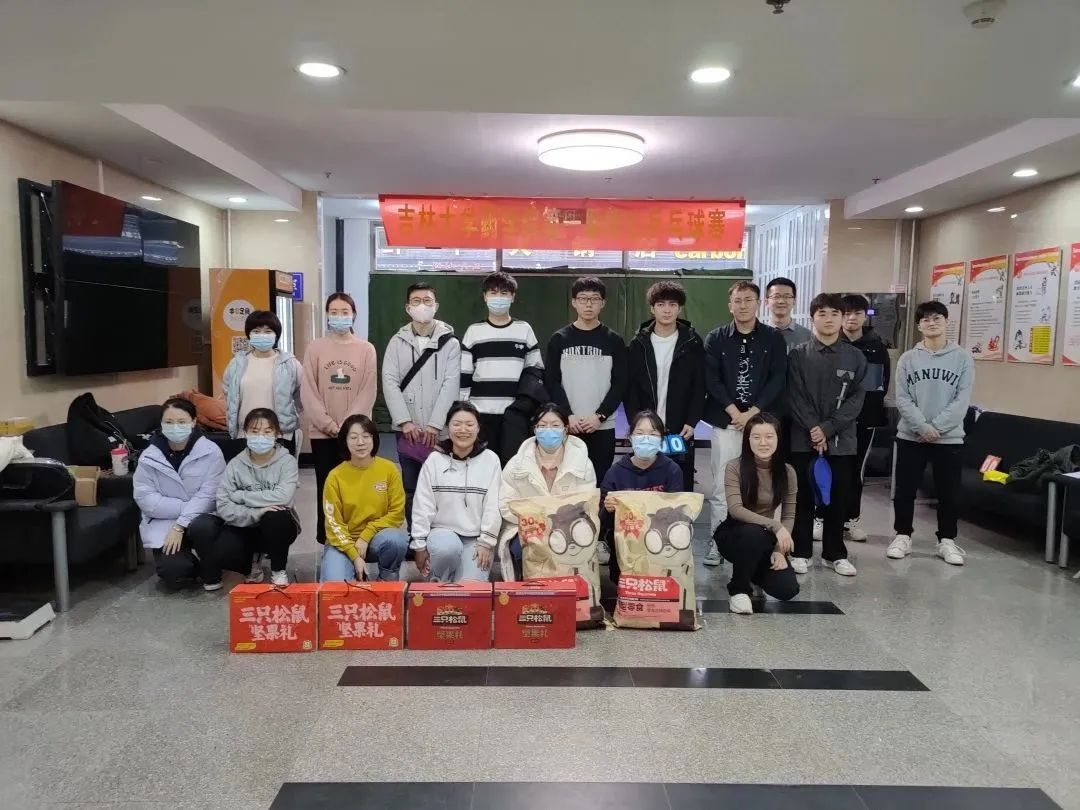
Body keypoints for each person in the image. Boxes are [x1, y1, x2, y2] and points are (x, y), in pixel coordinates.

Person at [702, 281, 788, 566]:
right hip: (725, 422)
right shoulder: (716, 338)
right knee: (720, 485)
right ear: (730, 306)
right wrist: (733, 411)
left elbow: (778, 378)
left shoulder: (773, 338)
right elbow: (711, 378)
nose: (742, 305)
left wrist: (752, 412)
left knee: (764, 485)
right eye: (737, 301)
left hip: (761, 423)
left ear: (758, 304)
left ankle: (764, 543)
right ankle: (717, 542)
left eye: (748, 300)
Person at [888, 300, 975, 566]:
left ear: (946, 322)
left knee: (949, 493)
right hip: (911, 436)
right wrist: (923, 427)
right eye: (925, 319)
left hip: (948, 438)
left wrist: (937, 427)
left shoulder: (962, 358)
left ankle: (946, 540)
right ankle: (903, 535)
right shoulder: (908, 359)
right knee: (905, 490)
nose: (931, 323)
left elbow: (962, 399)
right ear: (919, 325)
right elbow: (902, 398)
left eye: (937, 318)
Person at [786, 293, 867, 577]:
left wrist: (828, 428)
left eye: (835, 313)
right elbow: (794, 396)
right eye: (822, 313)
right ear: (812, 318)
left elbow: (857, 400)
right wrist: (814, 428)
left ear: (842, 318)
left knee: (838, 496)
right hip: (802, 438)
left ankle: (835, 554)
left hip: (841, 441)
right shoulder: (797, 355)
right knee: (802, 496)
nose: (829, 319)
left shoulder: (855, 357)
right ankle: (800, 551)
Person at [186, 408, 301, 587]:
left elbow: (283, 497)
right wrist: (257, 512)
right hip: (243, 525)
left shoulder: (287, 462)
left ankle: (278, 570)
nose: (261, 437)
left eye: (267, 431)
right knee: (220, 548)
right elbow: (223, 504)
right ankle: (250, 564)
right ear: (245, 433)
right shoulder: (235, 464)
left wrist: (241, 496)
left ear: (277, 434)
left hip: (278, 526)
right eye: (254, 431)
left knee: (275, 516)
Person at [301, 292, 378, 544]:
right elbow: (308, 390)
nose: (339, 316)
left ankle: (357, 539)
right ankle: (328, 540)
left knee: (356, 487)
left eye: (345, 312)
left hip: (355, 436)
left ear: (354, 314)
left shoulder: (366, 349)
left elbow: (368, 390)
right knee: (327, 486)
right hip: (322, 433)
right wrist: (328, 424)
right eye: (334, 312)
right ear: (327, 315)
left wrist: (348, 428)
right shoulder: (315, 348)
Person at [382, 282, 461, 527]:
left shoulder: (450, 343)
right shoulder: (397, 342)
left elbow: (451, 385)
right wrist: (404, 421)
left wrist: (436, 424)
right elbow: (389, 382)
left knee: (442, 485)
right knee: (411, 486)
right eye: (416, 301)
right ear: (408, 308)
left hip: (440, 431)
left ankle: (441, 532)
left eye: (427, 301)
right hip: (408, 431)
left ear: (436, 306)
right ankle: (415, 536)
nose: (422, 306)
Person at [133, 397, 226, 590]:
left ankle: (211, 567)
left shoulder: (211, 452)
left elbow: (210, 495)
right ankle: (195, 564)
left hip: (203, 518)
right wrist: (183, 513)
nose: (175, 427)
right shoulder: (149, 456)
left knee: (203, 527)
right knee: (173, 571)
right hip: (165, 522)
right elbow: (145, 498)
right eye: (169, 422)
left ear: (193, 422)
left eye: (182, 421)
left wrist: (181, 524)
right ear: (161, 424)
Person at [497, 403, 597, 581]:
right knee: (521, 548)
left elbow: (586, 504)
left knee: (576, 545)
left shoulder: (582, 463)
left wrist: (556, 526)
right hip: (528, 528)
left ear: (565, 430)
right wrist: (536, 524)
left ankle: (572, 592)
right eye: (542, 426)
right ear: (535, 430)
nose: (548, 430)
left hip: (569, 528)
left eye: (555, 425)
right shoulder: (516, 464)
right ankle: (528, 592)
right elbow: (506, 505)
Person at [545, 276, 628, 487]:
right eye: (583, 298)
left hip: (602, 426)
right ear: (574, 302)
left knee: (599, 483)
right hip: (567, 426)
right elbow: (552, 381)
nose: (588, 304)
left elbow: (620, 384)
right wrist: (567, 416)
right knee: (564, 483)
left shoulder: (614, 340)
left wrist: (600, 416)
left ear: (603, 303)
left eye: (594, 299)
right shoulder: (559, 339)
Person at [624, 280, 705, 494]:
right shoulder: (638, 343)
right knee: (646, 485)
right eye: (661, 304)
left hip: (680, 429)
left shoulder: (693, 343)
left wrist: (692, 421)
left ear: (680, 308)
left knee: (679, 485)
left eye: (672, 304)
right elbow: (630, 388)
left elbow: (699, 386)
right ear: (652, 309)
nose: (667, 310)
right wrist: (636, 422)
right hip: (646, 428)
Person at [714, 412, 799, 614]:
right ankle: (738, 590)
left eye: (769, 436)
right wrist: (775, 526)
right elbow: (736, 510)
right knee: (753, 533)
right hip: (734, 534)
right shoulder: (734, 467)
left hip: (764, 537)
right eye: (756, 437)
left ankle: (751, 572)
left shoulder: (788, 472)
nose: (763, 443)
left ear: (778, 439)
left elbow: (788, 515)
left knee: (787, 589)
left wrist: (779, 550)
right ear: (748, 439)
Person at [410, 401, 503, 582]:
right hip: (442, 534)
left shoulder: (491, 460)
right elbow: (422, 505)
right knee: (446, 549)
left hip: (476, 539)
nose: (463, 430)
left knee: (471, 589)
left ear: (478, 428)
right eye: (457, 424)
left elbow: (493, 506)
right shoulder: (434, 460)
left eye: (469, 424)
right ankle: (439, 583)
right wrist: (419, 545)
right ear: (448, 428)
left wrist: (486, 542)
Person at [459, 271, 543, 463]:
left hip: (515, 415)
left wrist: (524, 406)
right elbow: (464, 375)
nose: (498, 297)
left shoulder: (524, 329)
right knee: (481, 466)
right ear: (485, 296)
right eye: (493, 292)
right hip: (480, 415)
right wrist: (465, 411)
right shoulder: (474, 331)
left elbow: (535, 370)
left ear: (512, 297)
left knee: (513, 467)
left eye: (504, 293)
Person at [319, 414, 410, 582]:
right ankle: (349, 570)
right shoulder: (335, 476)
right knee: (334, 586)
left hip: (376, 538)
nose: (360, 442)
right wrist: (354, 555)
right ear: (345, 441)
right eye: (353, 437)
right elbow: (333, 523)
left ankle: (387, 578)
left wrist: (366, 535)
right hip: (343, 542)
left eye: (366, 436)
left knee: (396, 541)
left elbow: (397, 513)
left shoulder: (389, 469)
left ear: (374, 439)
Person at [600, 410, 685, 584]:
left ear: (662, 439)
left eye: (653, 434)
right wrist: (608, 509)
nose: (646, 439)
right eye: (639, 433)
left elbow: (679, 515)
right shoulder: (616, 472)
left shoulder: (672, 470)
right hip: (626, 545)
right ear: (630, 437)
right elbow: (601, 522)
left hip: (662, 542)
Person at [837, 293, 891, 543]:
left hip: (863, 421)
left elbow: (879, 387)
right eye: (846, 313)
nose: (851, 318)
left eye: (857, 313)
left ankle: (851, 519)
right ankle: (822, 517)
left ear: (865, 316)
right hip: (832, 422)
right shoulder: (831, 343)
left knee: (855, 471)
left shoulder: (877, 347)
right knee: (826, 470)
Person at [222, 310, 302, 443]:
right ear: (249, 335)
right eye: (256, 331)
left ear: (276, 335)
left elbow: (300, 397)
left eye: (268, 331)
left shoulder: (290, 364)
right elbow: (228, 393)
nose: (262, 335)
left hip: (281, 434)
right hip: (245, 434)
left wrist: (288, 416)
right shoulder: (236, 364)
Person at [765, 277, 813, 352]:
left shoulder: (807, 336)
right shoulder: (757, 335)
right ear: (766, 302)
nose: (781, 301)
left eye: (787, 296)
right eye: (776, 296)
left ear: (794, 301)